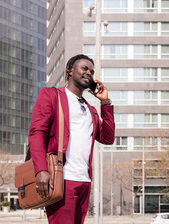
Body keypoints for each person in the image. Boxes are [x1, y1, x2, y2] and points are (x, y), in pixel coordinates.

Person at [28, 54, 115, 224]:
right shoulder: (52, 95)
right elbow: (37, 133)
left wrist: (106, 104)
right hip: (62, 178)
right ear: (70, 71)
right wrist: (41, 170)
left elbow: (107, 138)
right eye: (84, 68)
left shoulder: (91, 110)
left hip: (84, 181)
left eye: (92, 71)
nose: (89, 73)